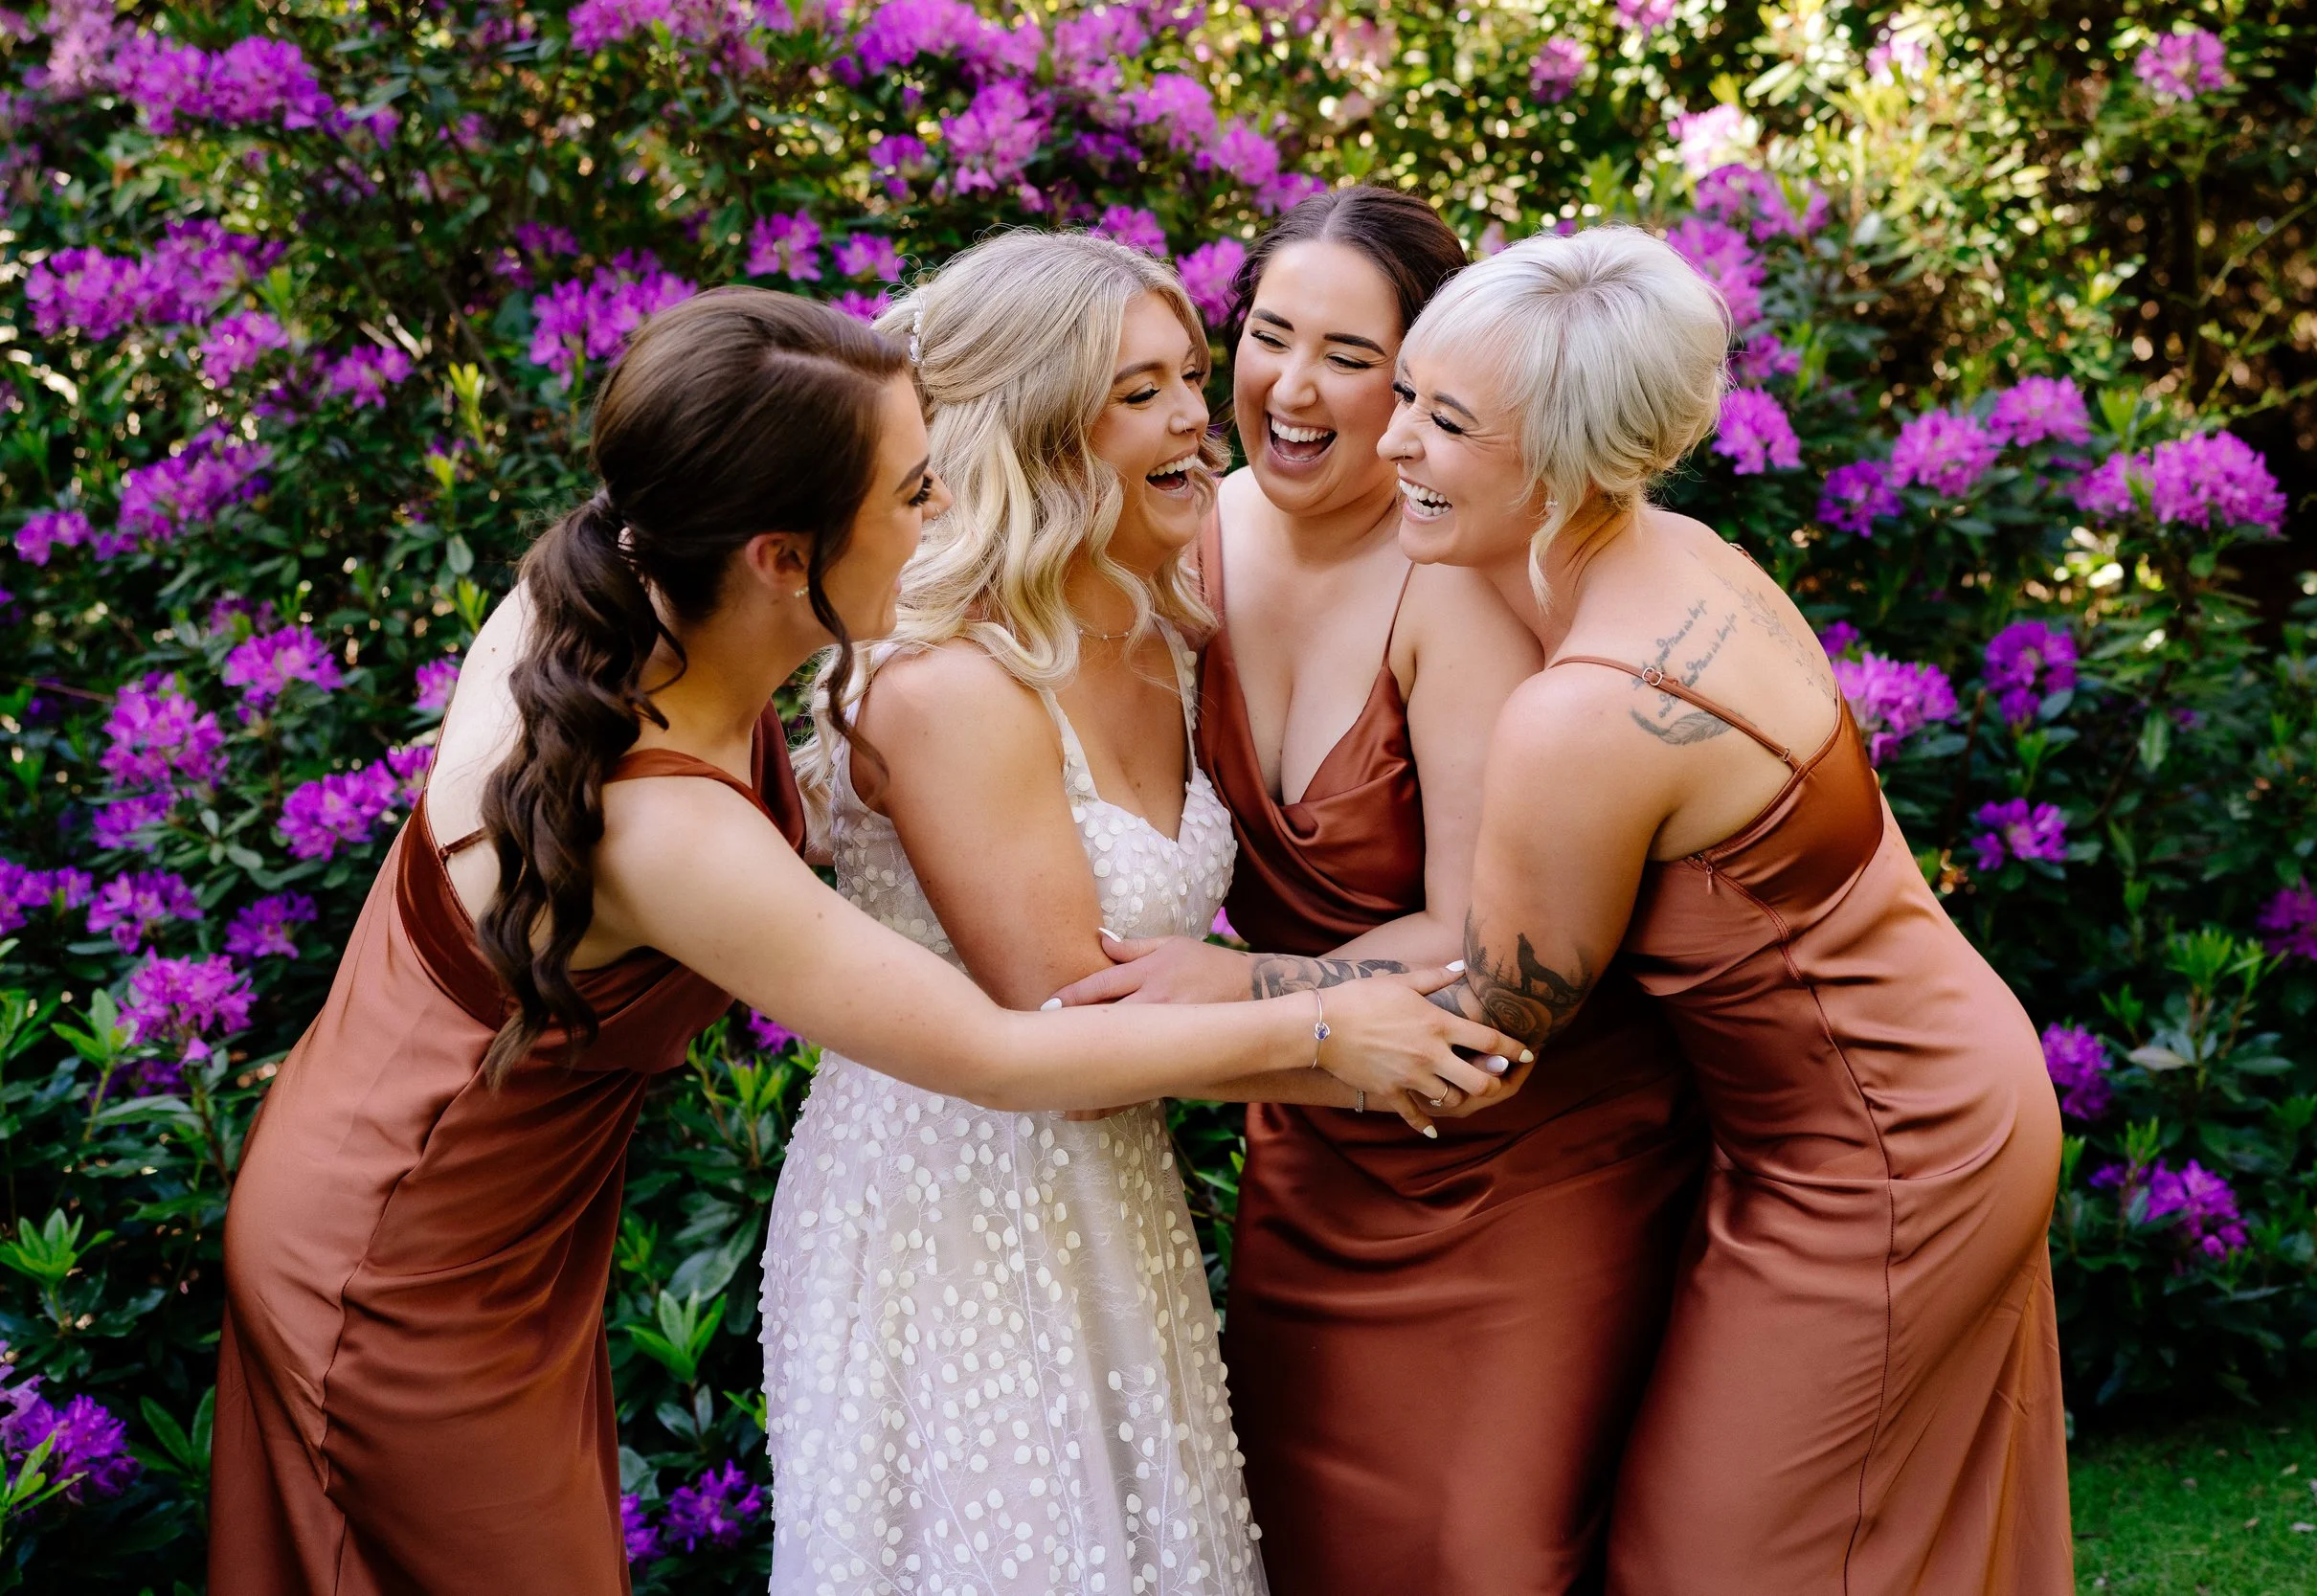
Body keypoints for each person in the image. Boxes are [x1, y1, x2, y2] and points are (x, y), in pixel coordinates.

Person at [208, 287, 1524, 1596]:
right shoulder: (661, 826)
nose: (946, 513)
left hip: (497, 1217)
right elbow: (1003, 1053)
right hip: (399, 1250)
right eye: (912, 493)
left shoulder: (637, 591)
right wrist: (1323, 1027)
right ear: (784, 555)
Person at [1381, 226, 2074, 1593]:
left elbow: (1494, 1022)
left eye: (1446, 420)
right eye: (1406, 391)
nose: (1393, 440)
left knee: (1715, 1561)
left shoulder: (1583, 713)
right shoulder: (1692, 555)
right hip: (1919, 1094)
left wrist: (1209, 1004)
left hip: (1889, 1156)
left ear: (1569, 459)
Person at [1053, 189, 1705, 1596]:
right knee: (1300, 1540)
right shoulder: (1192, 539)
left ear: (1418, 391)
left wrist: (1234, 988)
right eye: (1269, 334)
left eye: (1351, 359)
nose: (1291, 388)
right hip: (1319, 1125)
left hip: (1521, 1136)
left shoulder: (1456, 589)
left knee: (1486, 1552)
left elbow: (1482, 935)